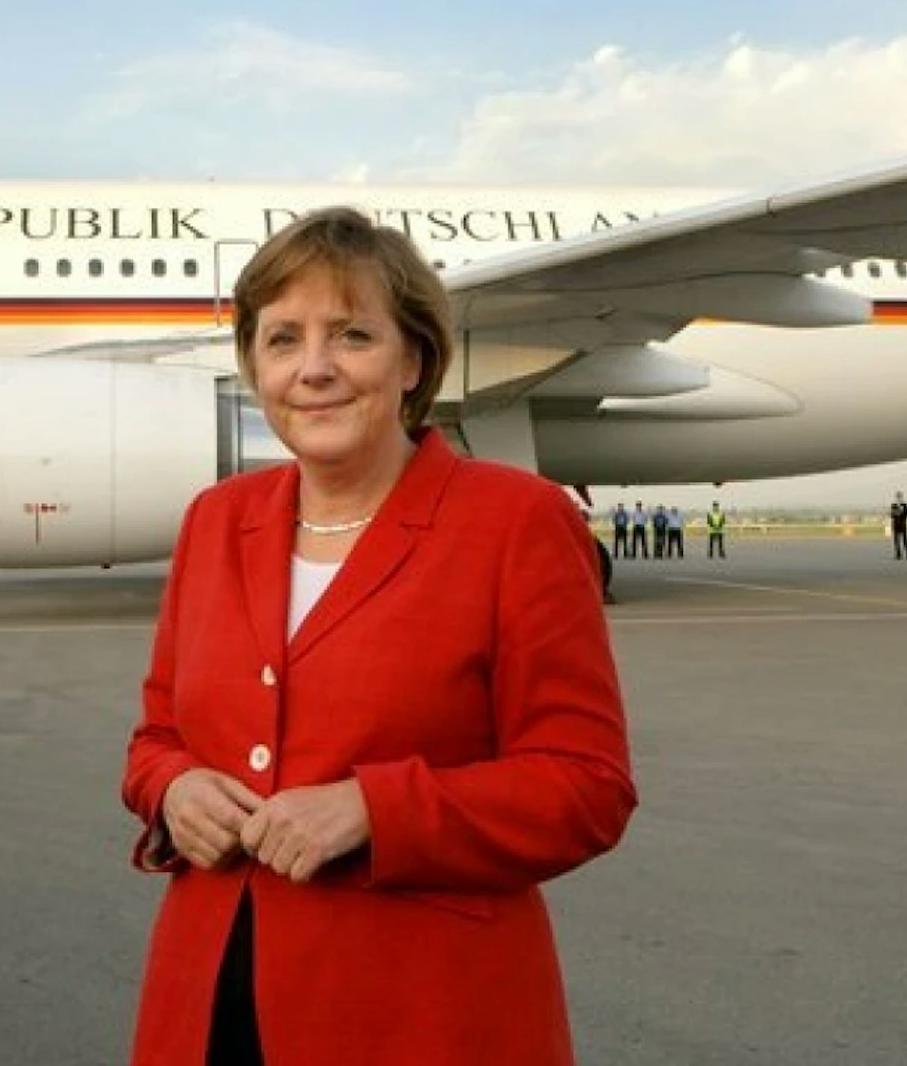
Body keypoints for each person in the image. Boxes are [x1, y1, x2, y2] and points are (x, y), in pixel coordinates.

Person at [121, 207, 635, 1066]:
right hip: (212, 1001)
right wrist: (173, 790)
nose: (313, 369)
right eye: (282, 340)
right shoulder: (217, 521)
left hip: (423, 1015)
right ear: (254, 366)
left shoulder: (517, 521)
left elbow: (586, 787)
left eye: (351, 335)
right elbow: (155, 737)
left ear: (413, 360)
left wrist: (375, 808)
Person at [889, 491, 907, 560]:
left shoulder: (905, 505)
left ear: (901, 497)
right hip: (896, 524)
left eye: (899, 496)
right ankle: (898, 554)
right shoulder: (893, 505)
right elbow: (891, 515)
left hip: (903, 524)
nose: (898, 498)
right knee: (896, 540)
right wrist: (895, 513)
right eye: (897, 496)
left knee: (905, 540)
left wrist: (902, 512)